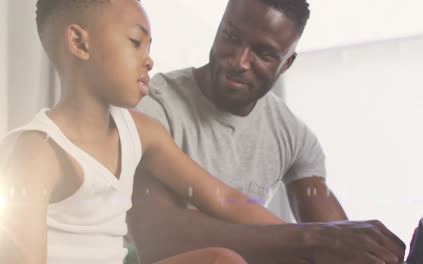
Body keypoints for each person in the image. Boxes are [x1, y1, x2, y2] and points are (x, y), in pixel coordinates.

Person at [0, 0, 306, 263]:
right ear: (80, 43)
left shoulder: (140, 131)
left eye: (149, 47)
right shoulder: (38, 152)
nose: (148, 60)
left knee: (221, 260)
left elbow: (221, 197)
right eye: (135, 42)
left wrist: (308, 238)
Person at [129, 0, 406, 263]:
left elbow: (337, 239)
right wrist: (311, 240)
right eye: (232, 37)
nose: (239, 61)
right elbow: (156, 238)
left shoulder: (291, 136)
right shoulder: (151, 109)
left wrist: (359, 247)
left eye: (263, 53)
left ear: (286, 63)